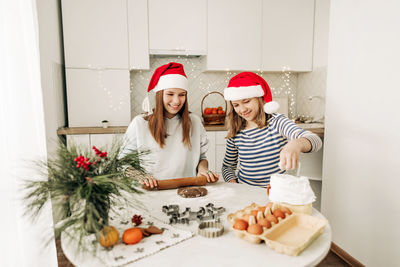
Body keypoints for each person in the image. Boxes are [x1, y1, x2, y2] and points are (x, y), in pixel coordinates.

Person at [119, 62, 218, 188]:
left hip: (188, 190)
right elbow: (122, 163)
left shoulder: (194, 121)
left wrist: (203, 169)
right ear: (159, 94)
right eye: (170, 94)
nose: (176, 101)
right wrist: (140, 176)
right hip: (152, 192)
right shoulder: (140, 124)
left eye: (182, 95)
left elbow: (201, 157)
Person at [221, 72, 322, 187]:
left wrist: (296, 144)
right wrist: (235, 185)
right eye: (236, 105)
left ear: (259, 98)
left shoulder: (277, 122)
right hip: (246, 192)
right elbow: (227, 166)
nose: (242, 109)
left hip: (276, 193)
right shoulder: (235, 131)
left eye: (246, 101)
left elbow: (315, 140)